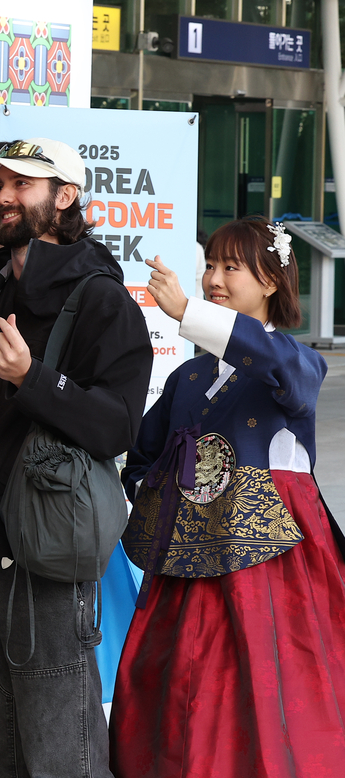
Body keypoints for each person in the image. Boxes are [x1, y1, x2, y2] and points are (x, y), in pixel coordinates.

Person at [0, 138, 154, 777]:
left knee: (63, 760)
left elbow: (118, 426)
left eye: (20, 185)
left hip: (44, 563)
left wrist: (33, 379)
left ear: (65, 198)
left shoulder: (102, 300)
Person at [111, 217, 344, 778]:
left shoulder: (293, 362)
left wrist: (190, 314)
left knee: (271, 684)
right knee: (179, 685)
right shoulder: (188, 377)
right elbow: (142, 457)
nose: (215, 277)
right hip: (189, 564)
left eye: (231, 267)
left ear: (271, 281)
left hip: (274, 562)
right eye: (210, 265)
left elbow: (281, 366)